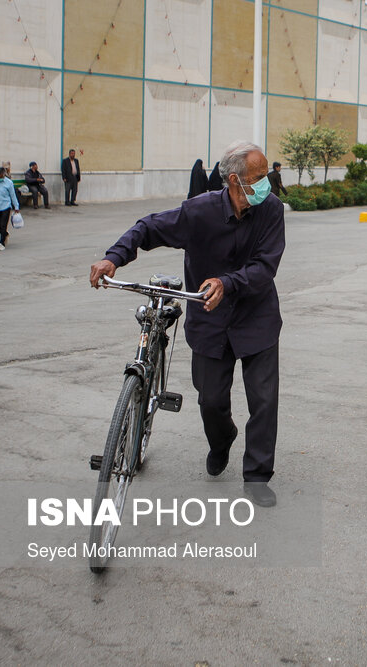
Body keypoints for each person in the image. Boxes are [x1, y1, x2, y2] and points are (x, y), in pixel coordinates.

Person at [89, 140, 285, 507]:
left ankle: (257, 476)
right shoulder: (200, 212)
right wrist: (113, 257)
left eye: (265, 177)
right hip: (209, 322)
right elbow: (148, 228)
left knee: (264, 400)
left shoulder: (271, 210)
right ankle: (222, 439)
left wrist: (226, 283)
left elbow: (264, 267)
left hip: (256, 318)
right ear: (233, 181)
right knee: (210, 400)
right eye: (258, 178)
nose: (266, 184)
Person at [0, 166, 19, 251]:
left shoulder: (9, 183)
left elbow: (13, 195)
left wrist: (16, 206)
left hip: (6, 206)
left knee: (3, 225)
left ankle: (1, 243)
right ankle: (5, 234)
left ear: (3, 174)